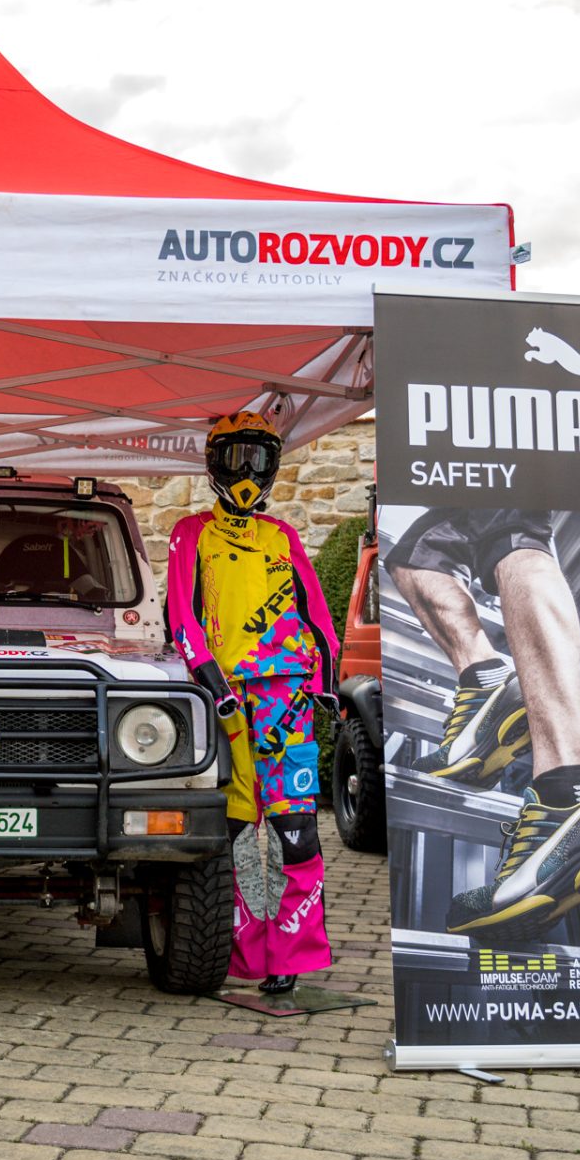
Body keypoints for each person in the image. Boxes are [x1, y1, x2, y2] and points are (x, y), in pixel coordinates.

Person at [384, 508, 580, 941]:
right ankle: (485, 683)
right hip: (472, 469)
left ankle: (568, 792)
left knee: (512, 531)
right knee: (414, 556)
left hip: (516, 461)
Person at [165, 411, 337, 993]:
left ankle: (291, 954)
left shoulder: (282, 535)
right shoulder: (192, 532)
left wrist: (326, 682)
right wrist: (212, 682)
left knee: (296, 827)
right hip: (225, 699)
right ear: (215, 464)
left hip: (287, 697)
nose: (247, 472)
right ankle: (239, 951)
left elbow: (316, 614)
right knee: (234, 826)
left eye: (258, 459)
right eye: (236, 457)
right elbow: (181, 615)